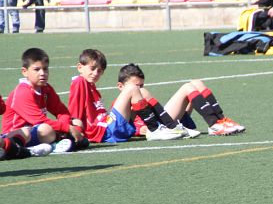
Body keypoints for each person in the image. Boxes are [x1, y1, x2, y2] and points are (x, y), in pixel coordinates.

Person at [68, 54, 246, 142]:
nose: (96, 73)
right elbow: (75, 113)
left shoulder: (91, 88)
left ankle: (219, 121)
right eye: (92, 69)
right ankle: (167, 127)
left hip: (143, 122)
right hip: (111, 128)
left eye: (99, 70)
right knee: (185, 88)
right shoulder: (79, 83)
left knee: (195, 83)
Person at [2, 47, 85, 153]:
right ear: (24, 71)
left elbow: (61, 111)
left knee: (77, 122)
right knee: (46, 130)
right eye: (37, 69)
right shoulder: (22, 92)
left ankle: (62, 141)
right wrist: (67, 129)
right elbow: (39, 121)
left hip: (37, 130)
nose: (42, 73)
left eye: (45, 69)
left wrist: (66, 126)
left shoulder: (46, 88)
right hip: (16, 134)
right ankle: (28, 149)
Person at [0, 92, 53, 159]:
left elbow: (1, 109)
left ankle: (14, 150)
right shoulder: (22, 92)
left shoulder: (46, 89)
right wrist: (66, 128)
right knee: (44, 129)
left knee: (26, 132)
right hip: (8, 134)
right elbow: (37, 119)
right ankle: (29, 151)